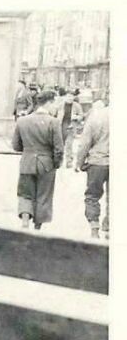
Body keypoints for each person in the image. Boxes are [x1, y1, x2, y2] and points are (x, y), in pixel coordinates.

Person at [11, 90, 64, 230]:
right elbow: (59, 149)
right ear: (49, 102)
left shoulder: (22, 121)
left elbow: (16, 146)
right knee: (44, 195)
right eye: (55, 103)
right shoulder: (54, 122)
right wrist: (56, 164)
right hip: (46, 164)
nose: (56, 107)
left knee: (25, 193)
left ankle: (25, 219)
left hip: (27, 162)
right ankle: (37, 227)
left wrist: (28, 150)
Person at [75, 92, 109, 239]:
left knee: (92, 196)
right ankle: (109, 225)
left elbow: (85, 143)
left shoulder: (97, 116)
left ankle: (94, 227)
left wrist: (79, 162)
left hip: (97, 162)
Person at [55, 87, 84, 168]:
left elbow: (81, 115)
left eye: (71, 96)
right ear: (65, 97)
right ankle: (59, 161)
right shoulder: (60, 105)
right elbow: (54, 114)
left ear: (74, 97)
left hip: (71, 126)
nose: (70, 98)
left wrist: (76, 117)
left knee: (69, 145)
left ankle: (69, 162)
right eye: (68, 96)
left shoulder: (77, 106)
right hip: (61, 125)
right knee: (60, 145)